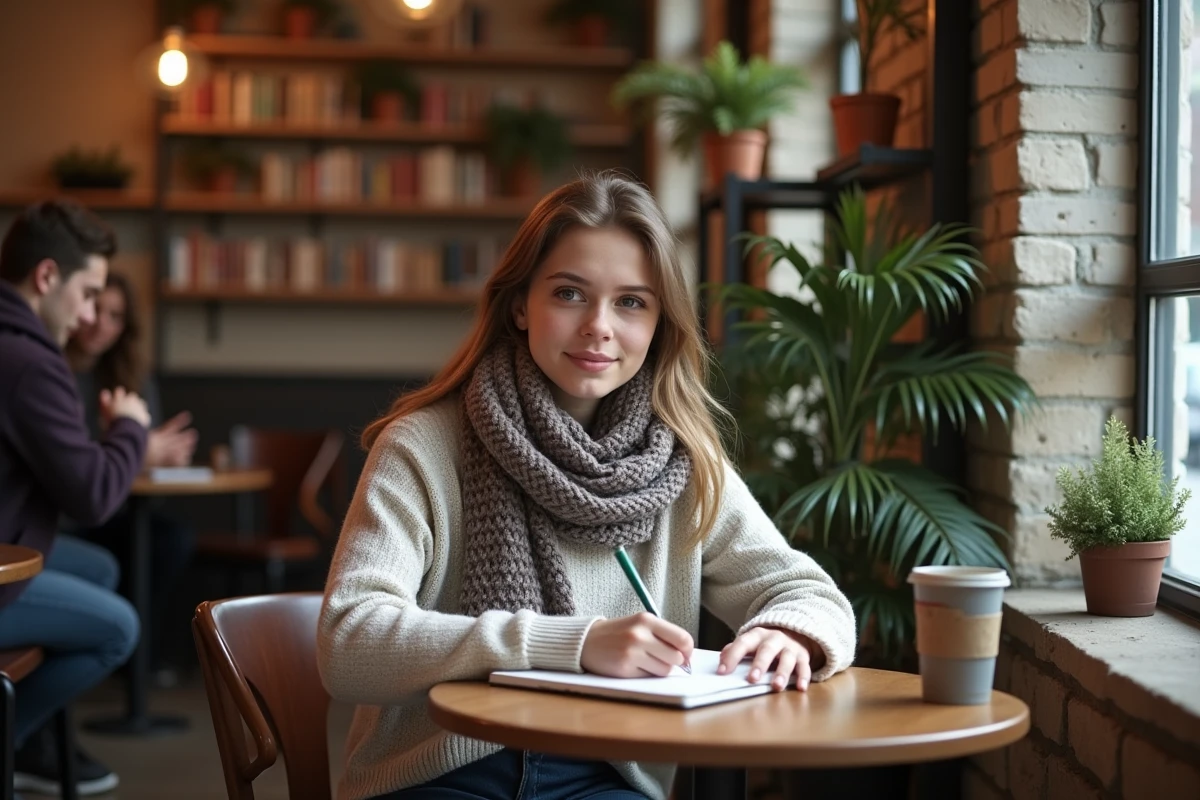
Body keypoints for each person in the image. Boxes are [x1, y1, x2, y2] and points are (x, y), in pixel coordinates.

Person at [317, 172, 857, 800]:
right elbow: (348, 642)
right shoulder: (422, 446)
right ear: (521, 304)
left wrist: (788, 631)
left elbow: (807, 592)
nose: (599, 326)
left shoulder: (679, 461)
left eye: (632, 301)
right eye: (570, 293)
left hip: (604, 780)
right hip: (436, 773)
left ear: (660, 322)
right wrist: (571, 643)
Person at [0, 199, 148, 796]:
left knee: (102, 565)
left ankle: (35, 741)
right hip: (3, 564)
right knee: (119, 628)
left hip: (12, 542)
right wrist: (130, 428)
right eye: (88, 293)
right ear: (46, 278)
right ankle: (14, 741)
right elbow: (94, 496)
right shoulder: (32, 362)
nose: (90, 315)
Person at [65, 271, 198, 679]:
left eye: (115, 316)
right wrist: (138, 451)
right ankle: (120, 659)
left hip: (117, 508)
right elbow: (71, 464)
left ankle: (139, 664)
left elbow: (143, 448)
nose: (100, 323)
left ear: (125, 326)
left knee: (169, 540)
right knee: (110, 559)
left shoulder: (133, 377)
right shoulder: (50, 372)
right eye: (95, 307)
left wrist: (159, 454)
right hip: (67, 516)